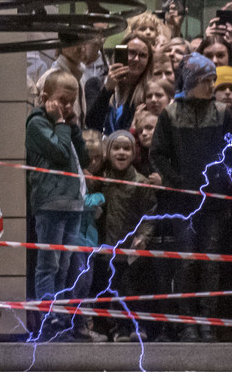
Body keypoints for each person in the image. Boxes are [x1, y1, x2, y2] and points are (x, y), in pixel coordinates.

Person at [149, 53, 232, 340]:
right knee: (187, 261)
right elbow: (158, 153)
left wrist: (221, 180)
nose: (211, 86)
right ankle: (187, 321)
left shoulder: (223, 113)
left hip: (213, 201)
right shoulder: (170, 114)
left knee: (210, 261)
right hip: (183, 203)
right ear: (192, 81)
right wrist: (177, 182)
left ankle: (207, 320)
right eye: (206, 80)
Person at [27, 68, 93, 341]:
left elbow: (84, 159)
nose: (67, 107)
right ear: (45, 97)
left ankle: (61, 317)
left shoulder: (66, 124)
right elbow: (59, 152)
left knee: (65, 266)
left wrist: (73, 126)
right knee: (49, 265)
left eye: (72, 101)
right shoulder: (37, 124)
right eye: (62, 100)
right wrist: (62, 123)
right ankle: (48, 317)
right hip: (51, 203)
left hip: (73, 204)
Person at [96, 129, 159, 341]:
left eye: (126, 148)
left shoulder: (141, 183)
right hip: (107, 247)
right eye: (116, 148)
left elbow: (150, 213)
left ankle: (137, 326)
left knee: (134, 288)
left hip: (132, 248)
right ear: (108, 152)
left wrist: (143, 236)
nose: (121, 152)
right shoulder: (101, 182)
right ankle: (119, 328)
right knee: (112, 288)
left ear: (133, 153)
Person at [84, 35, 152, 135]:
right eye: (131, 52)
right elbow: (92, 125)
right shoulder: (95, 84)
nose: (136, 59)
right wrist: (107, 90)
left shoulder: (149, 93)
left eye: (142, 55)